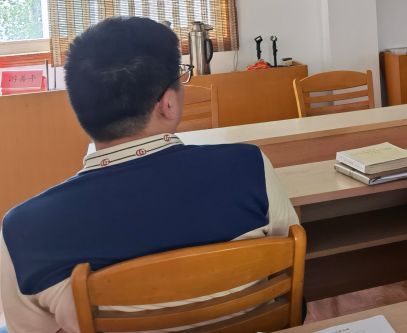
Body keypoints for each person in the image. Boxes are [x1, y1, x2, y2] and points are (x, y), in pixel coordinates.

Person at [0, 17, 299, 333]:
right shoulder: (249, 166)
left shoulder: (23, 231)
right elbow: (286, 262)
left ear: (81, 111)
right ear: (168, 103)